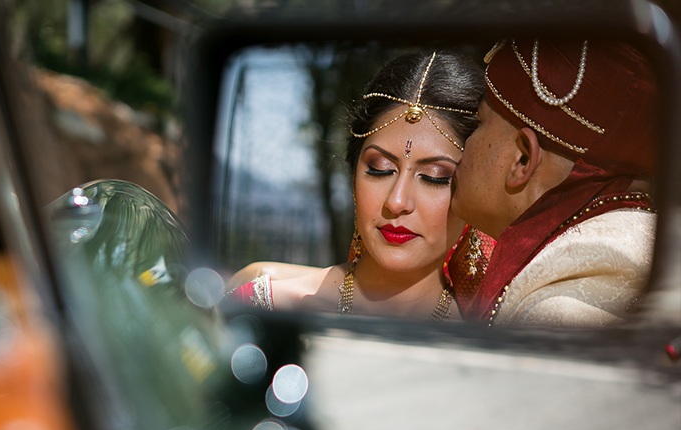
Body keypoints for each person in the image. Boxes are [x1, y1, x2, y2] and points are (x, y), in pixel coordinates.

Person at [226, 49, 484, 320]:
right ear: (353, 178)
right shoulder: (265, 309)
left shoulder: (494, 339)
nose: (396, 202)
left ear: (475, 195)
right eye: (380, 169)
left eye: (434, 177)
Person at [448, 39, 658, 327]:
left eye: (479, 122)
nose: (465, 144)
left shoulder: (550, 315)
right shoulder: (649, 247)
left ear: (522, 159)